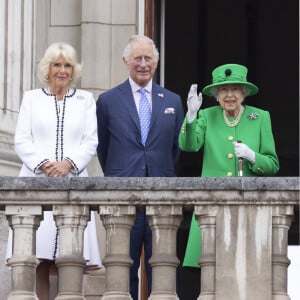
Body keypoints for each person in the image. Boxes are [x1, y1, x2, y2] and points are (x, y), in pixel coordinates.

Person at [6, 42, 101, 300]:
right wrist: (45, 164)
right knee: (39, 257)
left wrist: (68, 163)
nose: (62, 70)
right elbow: (22, 140)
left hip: (74, 182)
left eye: (67, 65)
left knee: (70, 259)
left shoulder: (85, 100)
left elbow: (90, 140)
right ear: (47, 69)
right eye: (57, 64)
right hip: (37, 182)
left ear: (74, 70)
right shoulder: (32, 99)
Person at [178, 63, 279, 294]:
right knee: (205, 275)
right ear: (215, 95)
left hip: (248, 210)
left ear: (244, 93)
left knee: (245, 276)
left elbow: (273, 165)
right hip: (211, 210)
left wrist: (253, 157)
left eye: (235, 89)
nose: (229, 95)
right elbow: (189, 146)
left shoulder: (260, 118)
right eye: (223, 90)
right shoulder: (206, 115)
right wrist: (191, 116)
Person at [96, 35, 184, 300]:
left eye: (148, 58)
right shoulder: (108, 100)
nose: (143, 64)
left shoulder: (173, 100)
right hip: (123, 195)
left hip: (161, 194)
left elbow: (175, 148)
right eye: (138, 58)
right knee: (123, 267)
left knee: (162, 266)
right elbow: (103, 147)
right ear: (126, 61)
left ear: (156, 62)